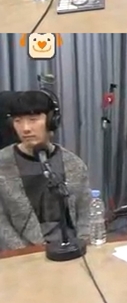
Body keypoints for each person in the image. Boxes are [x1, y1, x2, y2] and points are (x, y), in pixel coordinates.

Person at [0, 90, 91, 251]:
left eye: (33, 120)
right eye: (18, 121)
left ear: (51, 121)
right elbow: (2, 224)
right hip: (23, 253)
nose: (25, 128)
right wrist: (27, 253)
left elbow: (85, 214)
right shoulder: (2, 164)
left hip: (71, 249)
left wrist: (84, 246)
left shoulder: (74, 164)